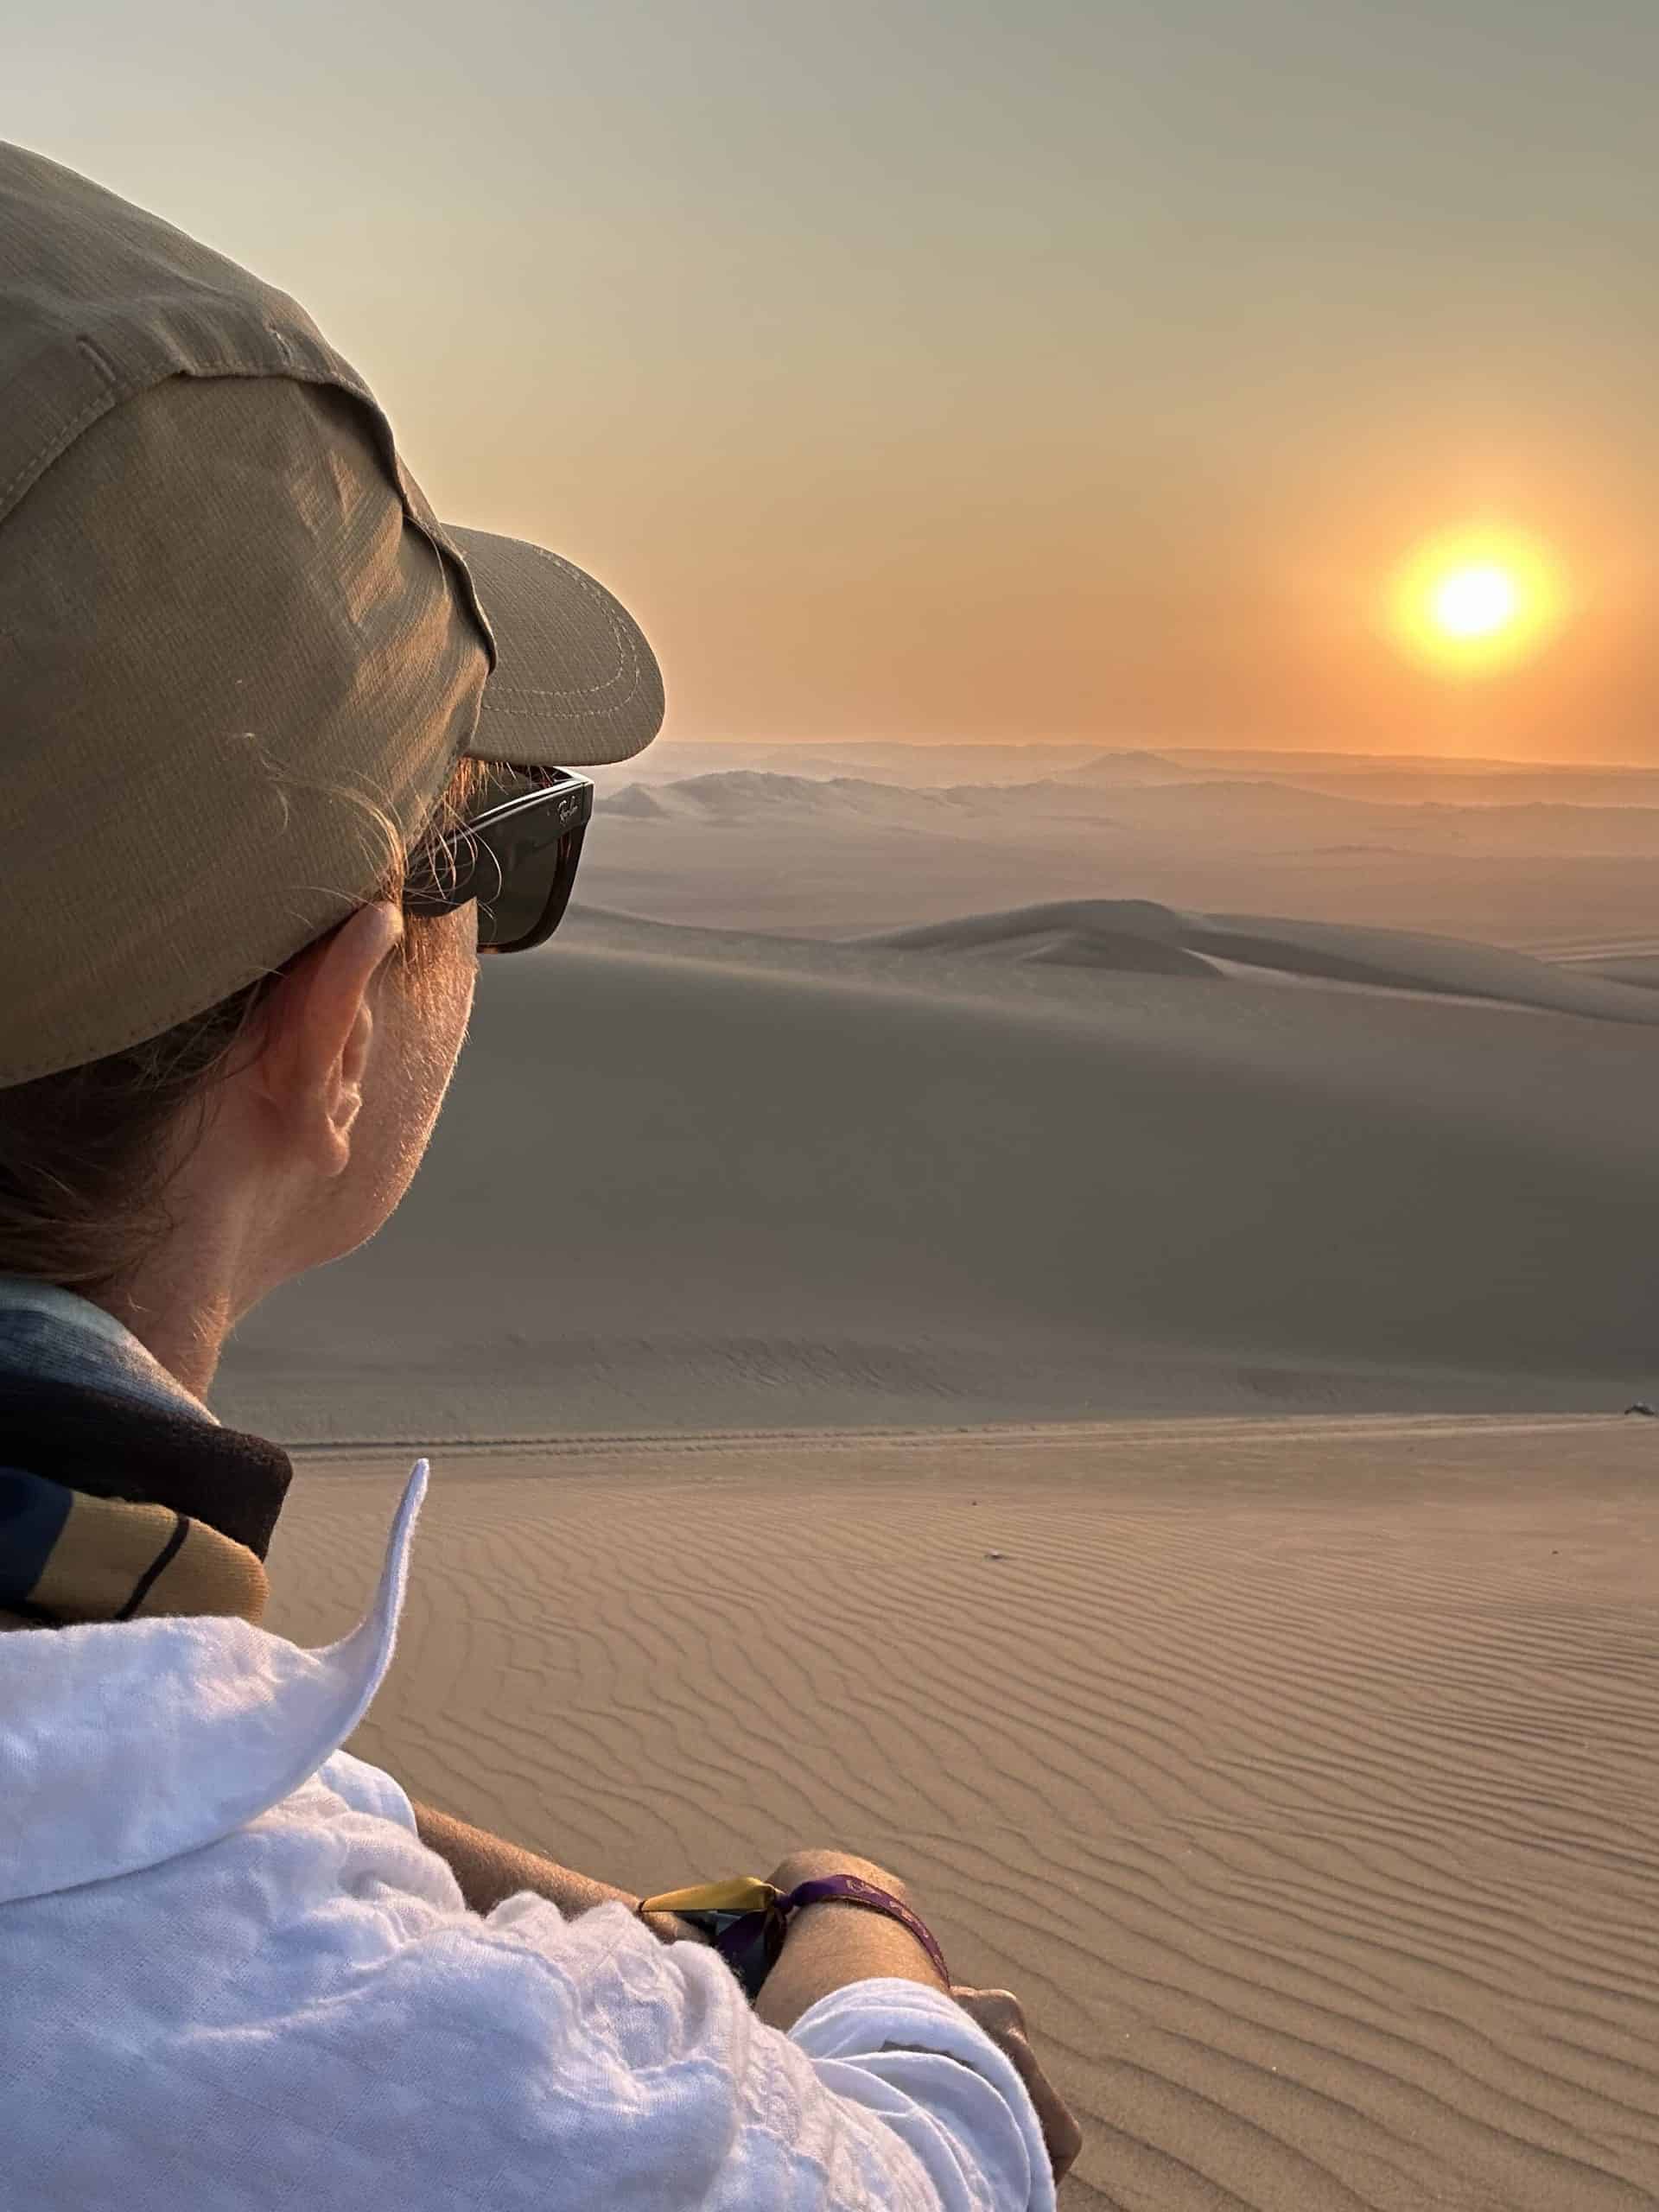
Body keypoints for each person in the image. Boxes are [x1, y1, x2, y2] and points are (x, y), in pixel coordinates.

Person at [0, 143, 1081, 2209]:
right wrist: (860, 1930)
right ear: (323, 1026)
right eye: (497, 860)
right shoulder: (373, 2081)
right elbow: (934, 2169)